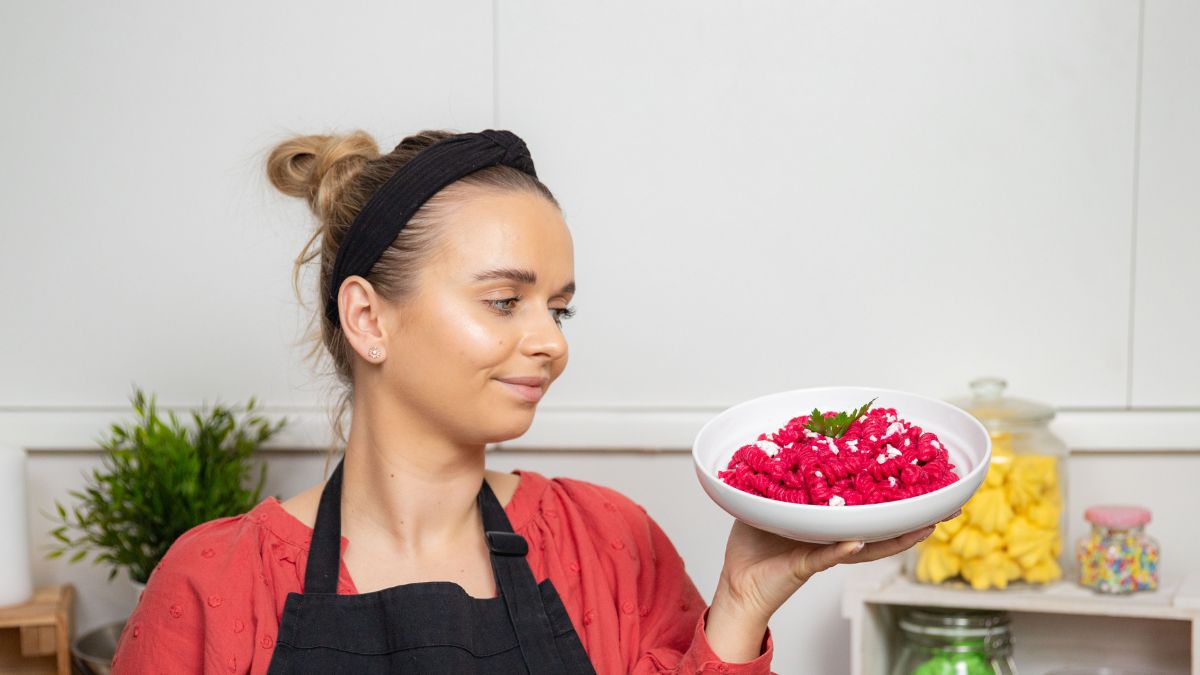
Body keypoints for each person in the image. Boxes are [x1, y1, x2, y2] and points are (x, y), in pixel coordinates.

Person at [110, 128, 942, 674]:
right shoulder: (216, 582)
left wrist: (742, 600)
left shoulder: (605, 544)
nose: (552, 341)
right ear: (368, 317)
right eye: (506, 301)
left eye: (560, 305)